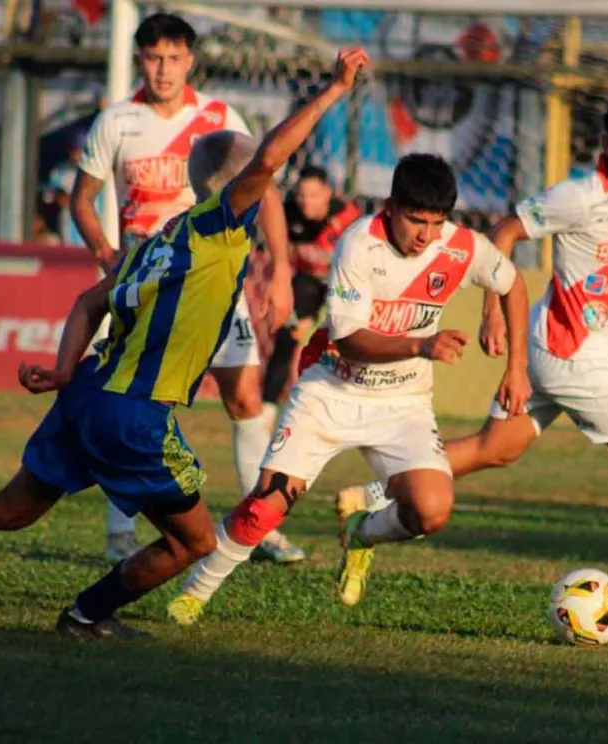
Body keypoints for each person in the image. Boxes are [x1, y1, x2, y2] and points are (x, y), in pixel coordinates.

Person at [0, 47, 371, 639]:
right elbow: (268, 158)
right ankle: (86, 615)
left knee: (13, 507)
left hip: (88, 389)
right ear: (235, 187)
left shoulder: (160, 240)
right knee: (193, 542)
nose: (270, 189)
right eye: (260, 184)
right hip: (132, 411)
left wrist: (65, 370)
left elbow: (89, 302)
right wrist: (334, 89)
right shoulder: (219, 227)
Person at [335, 95, 608, 595]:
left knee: (495, 449)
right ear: (605, 145)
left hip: (557, 346)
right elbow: (504, 233)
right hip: (572, 354)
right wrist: (491, 312)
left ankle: (373, 495)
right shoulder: (579, 196)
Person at [167, 153, 532, 625]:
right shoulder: (360, 244)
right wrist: (421, 344)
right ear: (390, 208)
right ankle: (195, 593)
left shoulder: (461, 246)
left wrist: (516, 368)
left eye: (435, 223)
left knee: (432, 510)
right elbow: (350, 340)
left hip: (403, 403)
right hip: (331, 393)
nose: (425, 235)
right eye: (415, 220)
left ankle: (363, 533)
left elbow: (513, 284)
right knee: (265, 507)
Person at [69, 12, 302, 564]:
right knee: (128, 399)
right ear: (140, 59)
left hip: (213, 285)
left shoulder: (220, 118)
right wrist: (105, 253)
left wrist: (281, 269)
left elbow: (264, 189)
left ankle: (257, 527)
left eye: (174, 58)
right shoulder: (117, 121)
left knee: (245, 397)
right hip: (147, 287)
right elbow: (82, 199)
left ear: (190, 61)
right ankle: (119, 534)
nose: (164, 69)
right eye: (154, 58)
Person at [260, 165, 362, 424]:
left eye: (313, 196)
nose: (306, 202)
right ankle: (267, 408)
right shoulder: (287, 213)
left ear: (328, 193)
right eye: (301, 195)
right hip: (308, 281)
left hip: (343, 283)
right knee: (287, 337)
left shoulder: (348, 218)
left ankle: (346, 408)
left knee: (345, 342)